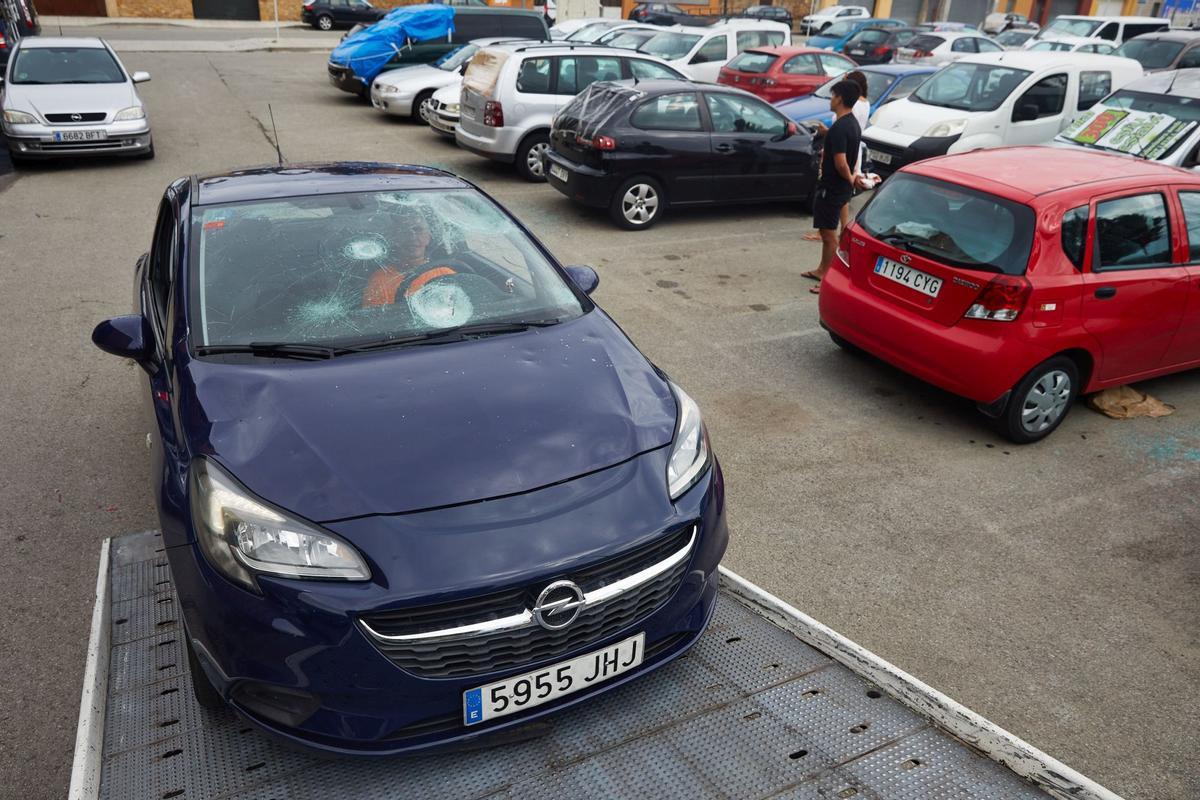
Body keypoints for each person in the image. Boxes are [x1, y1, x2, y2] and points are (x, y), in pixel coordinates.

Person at [803, 79, 870, 295]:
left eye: (833, 96)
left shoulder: (840, 128)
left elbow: (841, 162)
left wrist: (850, 178)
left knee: (830, 235)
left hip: (833, 187)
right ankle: (821, 269)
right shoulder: (850, 124)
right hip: (838, 187)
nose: (830, 100)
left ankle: (827, 278)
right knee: (825, 232)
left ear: (839, 98)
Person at [362, 214, 456, 308]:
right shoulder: (379, 281)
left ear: (428, 237)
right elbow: (375, 320)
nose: (412, 237)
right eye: (404, 231)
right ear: (395, 239)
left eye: (418, 230)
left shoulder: (445, 274)